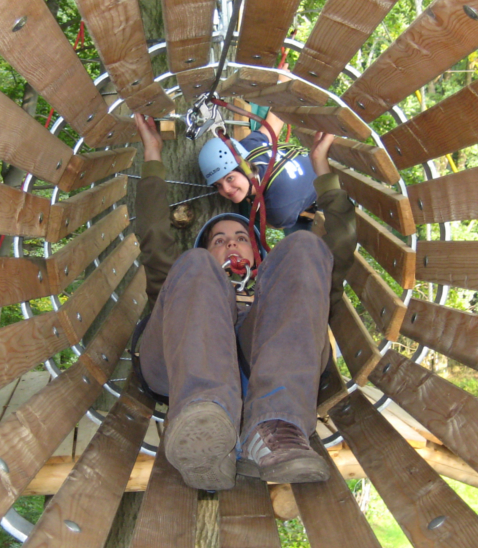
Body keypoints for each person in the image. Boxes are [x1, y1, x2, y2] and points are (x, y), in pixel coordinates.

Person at [131, 112, 357, 490]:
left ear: (257, 255)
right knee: (194, 267)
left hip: (265, 359)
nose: (230, 243)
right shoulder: (191, 276)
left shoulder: (275, 290)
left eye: (240, 237)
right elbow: (154, 232)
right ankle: (202, 422)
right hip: (178, 362)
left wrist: (322, 170)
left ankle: (272, 430)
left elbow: (339, 247)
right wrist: (152, 154)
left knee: (303, 246)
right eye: (218, 240)